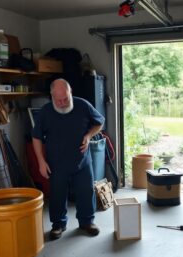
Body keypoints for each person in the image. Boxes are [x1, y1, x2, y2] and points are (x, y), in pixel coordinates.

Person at [32, 78, 105, 240]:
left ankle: (87, 222)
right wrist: (41, 162)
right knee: (57, 195)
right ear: (51, 96)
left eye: (66, 98)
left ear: (71, 93)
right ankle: (58, 224)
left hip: (82, 162)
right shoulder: (45, 112)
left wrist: (88, 135)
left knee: (86, 192)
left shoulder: (83, 105)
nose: (63, 103)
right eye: (58, 100)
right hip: (56, 164)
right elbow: (36, 138)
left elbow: (99, 122)